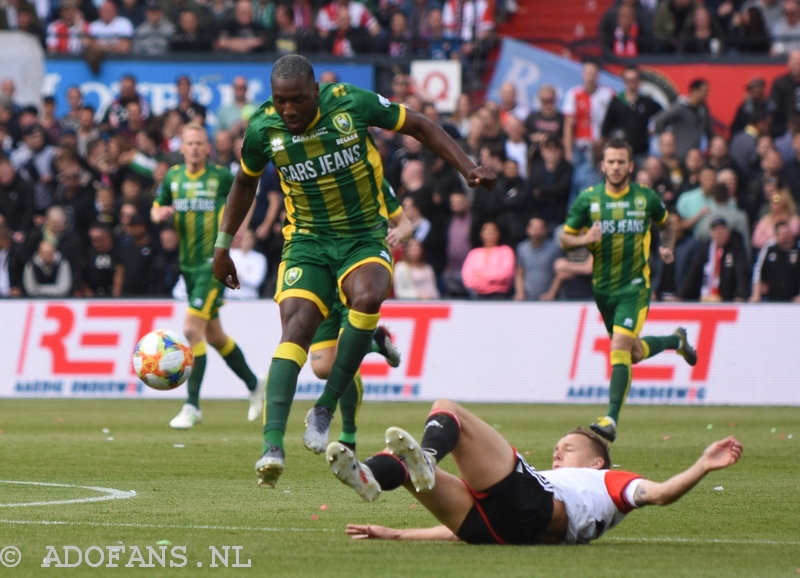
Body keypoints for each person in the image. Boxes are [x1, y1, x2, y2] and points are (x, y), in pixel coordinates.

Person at [212, 54, 496, 487]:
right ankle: (272, 446)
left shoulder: (352, 104)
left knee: (368, 294)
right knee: (296, 333)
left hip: (363, 235)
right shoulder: (261, 128)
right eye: (280, 101)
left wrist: (467, 167)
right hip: (306, 242)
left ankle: (325, 409)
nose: (288, 110)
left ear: (315, 93)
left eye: (298, 101)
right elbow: (245, 183)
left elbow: (418, 124)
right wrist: (223, 245)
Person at [325, 399, 743, 545]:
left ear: (598, 461)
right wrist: (397, 534)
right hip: (498, 532)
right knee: (404, 464)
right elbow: (457, 531)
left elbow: (662, 493)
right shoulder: (568, 484)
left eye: (568, 448)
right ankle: (372, 476)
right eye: (557, 448)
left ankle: (429, 457)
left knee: (447, 409)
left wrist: (703, 464)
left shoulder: (607, 480)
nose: (557, 453)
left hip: (533, 506)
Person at [560, 138, 698, 443]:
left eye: (621, 161)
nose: (616, 166)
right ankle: (676, 340)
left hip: (634, 287)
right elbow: (565, 239)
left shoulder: (645, 198)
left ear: (630, 166)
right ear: (603, 165)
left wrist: (667, 246)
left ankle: (610, 418)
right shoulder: (589, 200)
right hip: (603, 290)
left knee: (619, 348)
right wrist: (585, 240)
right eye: (611, 161)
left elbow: (669, 224)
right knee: (632, 353)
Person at [152, 123, 263, 429]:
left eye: (200, 143)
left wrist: (239, 229)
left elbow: (249, 194)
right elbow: (156, 205)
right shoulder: (173, 177)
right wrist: (159, 214)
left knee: (190, 331)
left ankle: (192, 406)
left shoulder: (221, 176)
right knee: (214, 335)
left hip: (212, 263)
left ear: (208, 147)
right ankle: (255, 385)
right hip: (187, 265)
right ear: (183, 147)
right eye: (190, 143)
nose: (195, 148)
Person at [677, 216, 750, 301]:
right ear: (711, 233)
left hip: (727, 299)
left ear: (728, 232)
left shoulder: (736, 247)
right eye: (715, 230)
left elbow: (741, 274)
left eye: (722, 229)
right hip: (706, 296)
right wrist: (680, 295)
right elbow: (693, 273)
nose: (719, 233)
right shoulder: (706, 248)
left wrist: (740, 296)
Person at [601, 66, 662, 161]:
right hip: (620, 154)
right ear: (624, 81)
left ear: (639, 81)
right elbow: (606, 128)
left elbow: (663, 115)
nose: (631, 83)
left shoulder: (647, 102)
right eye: (628, 80)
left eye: (634, 80)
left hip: (641, 153)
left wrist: (653, 130)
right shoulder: (616, 102)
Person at [654, 79, 713, 160]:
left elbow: (708, 131)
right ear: (694, 91)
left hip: (696, 157)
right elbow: (659, 121)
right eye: (704, 91)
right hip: (680, 155)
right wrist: (666, 138)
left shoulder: (703, 110)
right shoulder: (679, 107)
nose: (706, 94)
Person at [461, 221, 515, 299]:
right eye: (487, 231)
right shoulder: (474, 253)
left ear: (498, 234)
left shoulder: (506, 251)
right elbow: (467, 279)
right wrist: (490, 281)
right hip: (478, 296)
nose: (489, 234)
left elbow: (506, 274)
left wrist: (481, 276)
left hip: (500, 296)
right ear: (481, 234)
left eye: (492, 231)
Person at [751, 220, 800, 301]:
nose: (786, 236)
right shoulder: (769, 247)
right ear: (776, 236)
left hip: (795, 300)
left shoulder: (798, 247)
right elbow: (758, 270)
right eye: (783, 234)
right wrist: (756, 294)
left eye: (788, 233)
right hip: (772, 299)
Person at [514, 216, 560, 301]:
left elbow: (559, 274)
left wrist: (552, 293)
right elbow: (519, 273)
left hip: (548, 299)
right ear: (528, 229)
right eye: (534, 227)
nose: (537, 231)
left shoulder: (554, 248)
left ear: (545, 230)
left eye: (540, 228)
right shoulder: (521, 248)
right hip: (527, 298)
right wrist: (520, 292)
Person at [224, 229, 266, 300]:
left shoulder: (259, 258)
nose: (246, 241)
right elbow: (225, 275)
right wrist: (247, 275)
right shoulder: (231, 254)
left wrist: (238, 276)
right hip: (230, 297)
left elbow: (256, 281)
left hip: (250, 298)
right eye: (244, 238)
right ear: (240, 240)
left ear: (253, 241)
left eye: (249, 238)